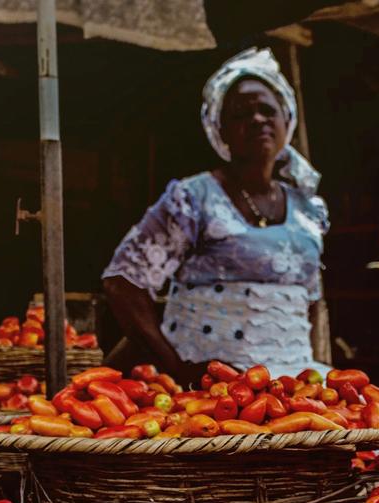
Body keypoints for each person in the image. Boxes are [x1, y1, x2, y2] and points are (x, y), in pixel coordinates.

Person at [102, 48, 329, 386]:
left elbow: (310, 303)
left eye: (268, 110)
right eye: (240, 114)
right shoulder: (192, 199)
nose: (257, 120)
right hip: (207, 388)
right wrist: (178, 368)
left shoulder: (309, 210)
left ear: (287, 119)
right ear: (219, 129)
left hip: (291, 383)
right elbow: (123, 284)